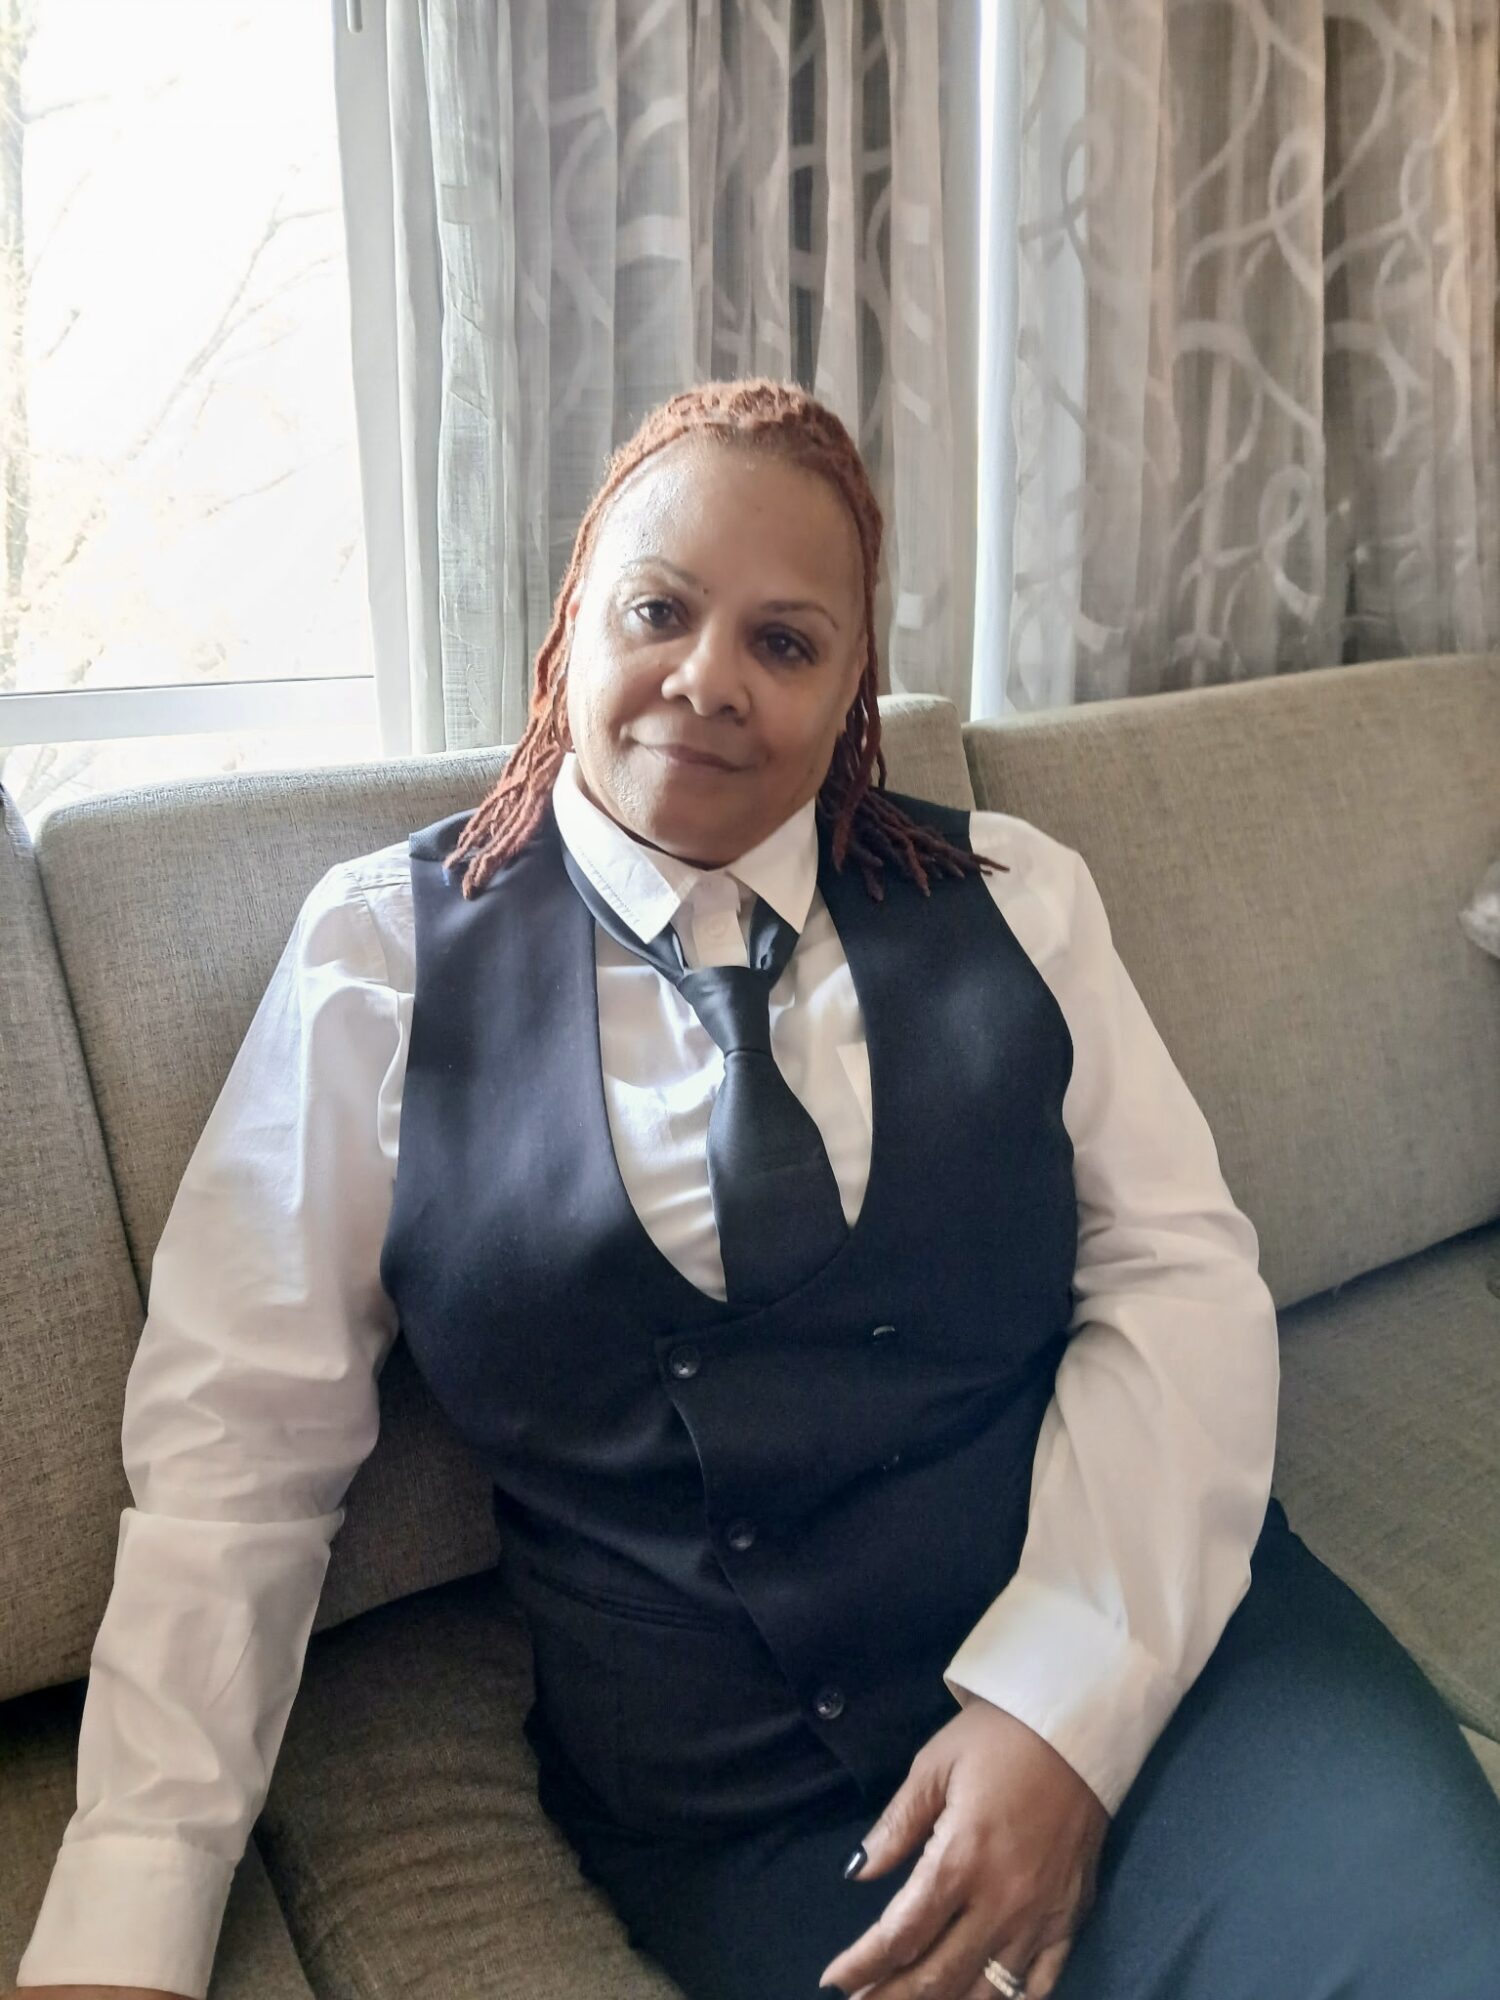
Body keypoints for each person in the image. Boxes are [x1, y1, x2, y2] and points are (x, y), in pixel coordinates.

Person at [13, 378, 1500, 2000]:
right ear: (573, 615)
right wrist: (131, 1916)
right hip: (752, 1809)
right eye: (660, 610)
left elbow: (1179, 1286)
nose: (709, 682)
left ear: (855, 686)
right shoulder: (378, 959)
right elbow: (238, 1462)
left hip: (1176, 1661)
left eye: (787, 643)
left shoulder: (1023, 900)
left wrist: (1062, 1704)